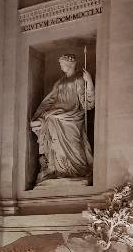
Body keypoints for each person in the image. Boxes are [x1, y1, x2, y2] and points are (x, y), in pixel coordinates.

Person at [30, 54, 95, 184]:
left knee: (73, 142)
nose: (60, 66)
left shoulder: (79, 79)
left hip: (73, 115)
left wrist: (89, 82)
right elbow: (50, 100)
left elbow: (87, 103)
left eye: (62, 63)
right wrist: (40, 114)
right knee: (50, 125)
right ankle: (58, 170)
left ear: (70, 64)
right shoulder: (59, 82)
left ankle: (78, 170)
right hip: (56, 114)